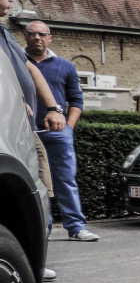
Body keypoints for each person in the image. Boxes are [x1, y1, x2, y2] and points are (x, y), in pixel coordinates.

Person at [0, 0, 67, 277]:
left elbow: (29, 67)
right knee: (28, 194)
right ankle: (23, 266)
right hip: (10, 130)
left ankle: (30, 263)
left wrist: (52, 106)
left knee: (41, 192)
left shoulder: (4, 34)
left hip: (22, 129)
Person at [25, 20, 99, 242]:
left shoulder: (65, 66)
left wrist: (68, 127)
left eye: (42, 34)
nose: (37, 37)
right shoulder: (16, 62)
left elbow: (76, 100)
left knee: (66, 179)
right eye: (32, 33)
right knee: (35, 184)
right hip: (27, 132)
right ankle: (42, 230)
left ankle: (76, 227)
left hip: (58, 133)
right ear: (25, 36)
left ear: (50, 38)